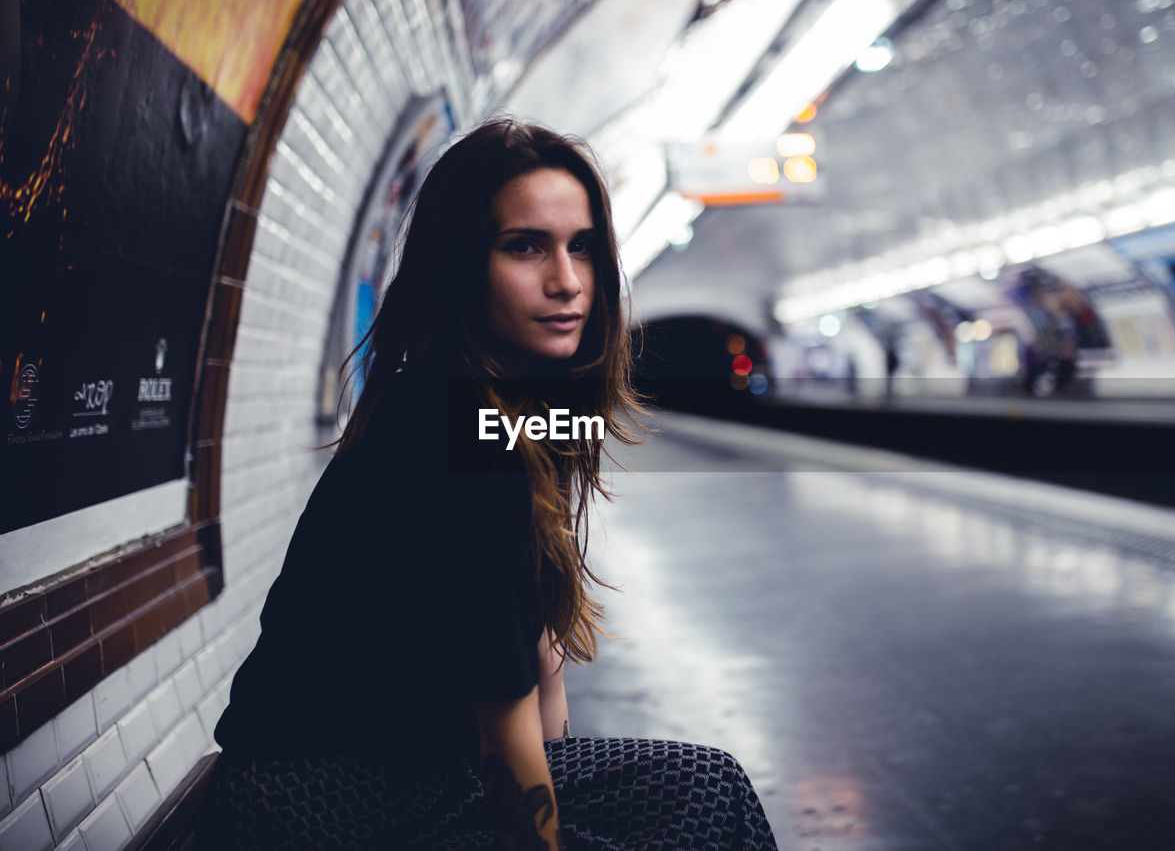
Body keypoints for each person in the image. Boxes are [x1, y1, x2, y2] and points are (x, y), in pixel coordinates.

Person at [196, 118, 778, 850]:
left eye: (583, 247)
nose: (567, 280)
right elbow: (508, 730)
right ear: (461, 265)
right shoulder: (450, 422)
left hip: (423, 775)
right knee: (695, 806)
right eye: (525, 245)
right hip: (321, 803)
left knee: (705, 784)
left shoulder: (512, 417)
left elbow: (537, 659)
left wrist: (566, 774)